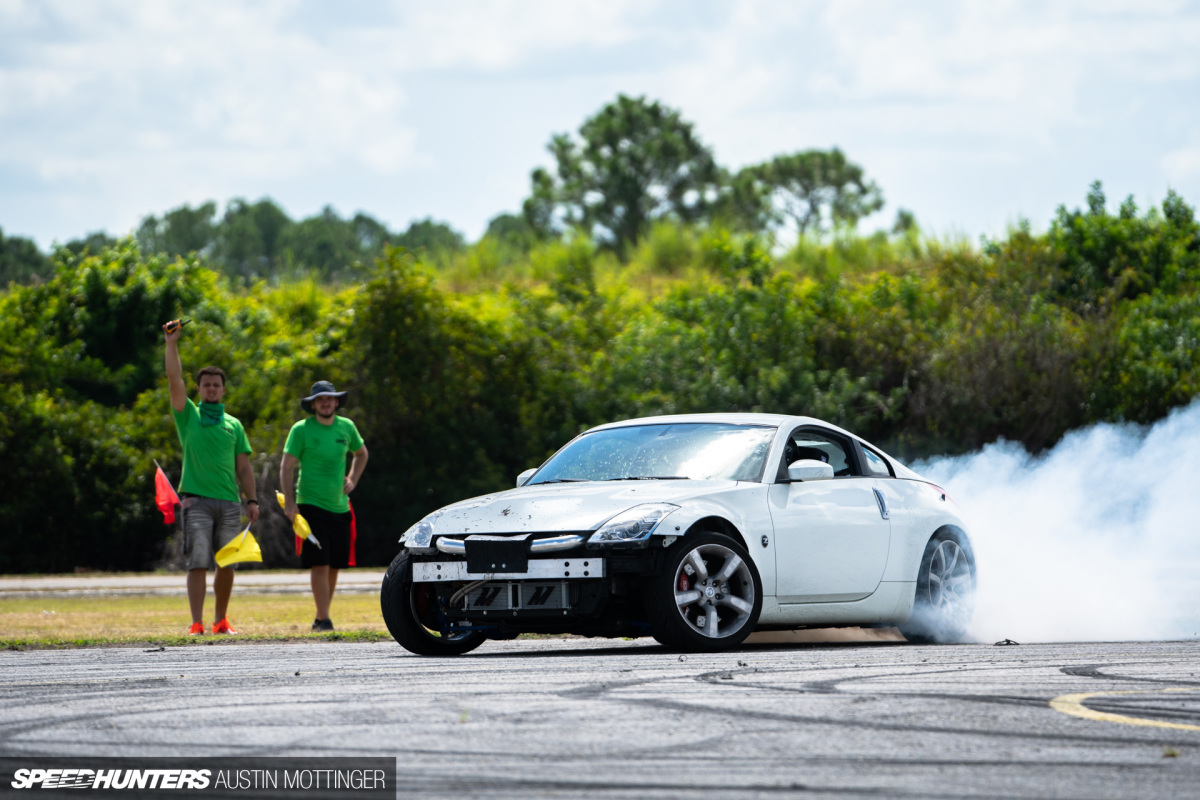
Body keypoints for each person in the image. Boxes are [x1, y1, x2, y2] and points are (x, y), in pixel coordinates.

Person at [163, 321, 259, 635]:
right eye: (206, 385)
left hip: (231, 503)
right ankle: (196, 622)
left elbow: (243, 468)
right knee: (198, 562)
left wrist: (252, 499)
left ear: (223, 388)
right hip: (197, 502)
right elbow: (174, 378)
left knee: (227, 564)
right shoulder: (188, 414)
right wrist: (171, 343)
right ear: (200, 389)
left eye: (216, 385)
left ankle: (221, 620)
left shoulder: (233, 424)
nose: (211, 389)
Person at [280, 381, 369, 631]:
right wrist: (289, 503)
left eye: (329, 398)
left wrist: (353, 478)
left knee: (334, 563)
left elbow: (362, 454)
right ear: (313, 405)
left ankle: (321, 617)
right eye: (320, 400)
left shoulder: (346, 427)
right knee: (319, 561)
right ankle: (324, 618)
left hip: (340, 506)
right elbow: (286, 466)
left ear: (337, 402)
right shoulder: (301, 430)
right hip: (310, 504)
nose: (326, 403)